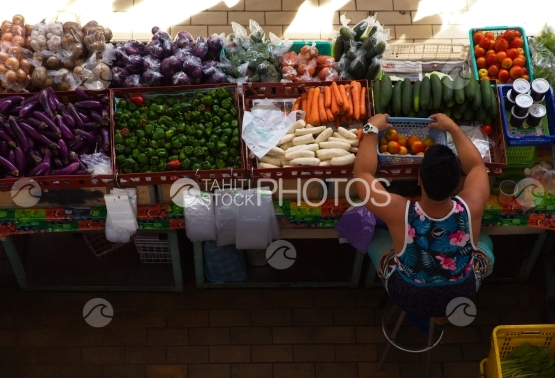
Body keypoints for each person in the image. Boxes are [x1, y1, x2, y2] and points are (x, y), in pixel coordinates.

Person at [353, 113, 495, 333]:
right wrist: (453, 129)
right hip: (461, 295)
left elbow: (363, 175)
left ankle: (423, 316)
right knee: (485, 240)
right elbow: (477, 166)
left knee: (372, 236)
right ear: (458, 181)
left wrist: (371, 130)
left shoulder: (398, 211)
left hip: (408, 296)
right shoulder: (472, 205)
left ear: (419, 180)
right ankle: (441, 316)